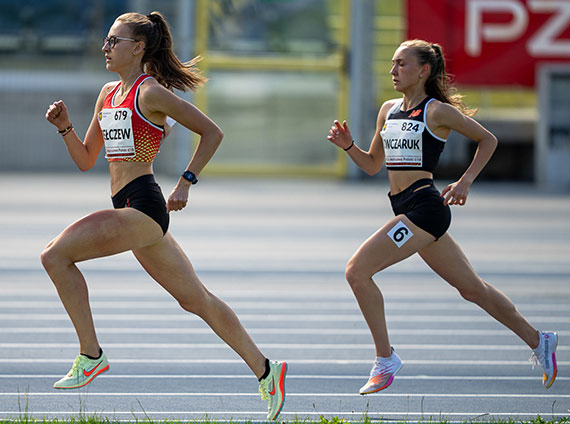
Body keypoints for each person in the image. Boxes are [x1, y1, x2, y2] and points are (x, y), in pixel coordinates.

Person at [43, 11, 286, 420]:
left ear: (138, 47)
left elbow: (213, 132)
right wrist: (65, 127)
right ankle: (267, 370)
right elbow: (86, 159)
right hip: (130, 209)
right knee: (197, 300)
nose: (106, 47)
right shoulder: (108, 93)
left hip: (144, 206)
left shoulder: (150, 91)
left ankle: (91, 354)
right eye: (106, 40)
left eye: (114, 41)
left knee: (54, 256)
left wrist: (186, 181)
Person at [326, 39, 557, 394]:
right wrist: (348, 147)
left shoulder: (436, 112)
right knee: (472, 289)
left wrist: (465, 181)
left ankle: (385, 359)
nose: (393, 70)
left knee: (357, 272)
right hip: (404, 208)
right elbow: (373, 165)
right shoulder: (387, 110)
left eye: (402, 64)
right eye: (392, 63)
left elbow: (488, 140)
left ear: (424, 71)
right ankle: (539, 340)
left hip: (425, 209)